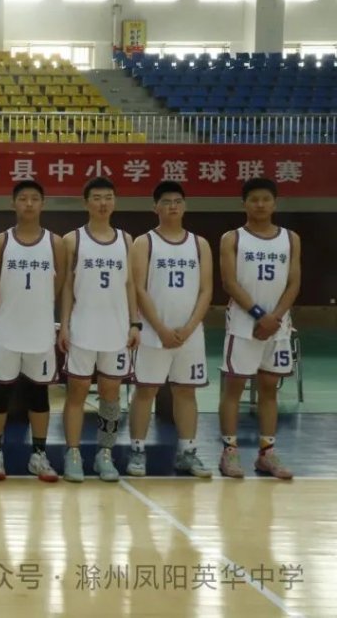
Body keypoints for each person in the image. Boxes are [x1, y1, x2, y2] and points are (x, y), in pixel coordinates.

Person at [126, 181, 213, 478]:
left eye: (177, 201)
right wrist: (161, 328)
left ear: (185, 206)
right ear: (155, 208)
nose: (172, 206)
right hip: (154, 333)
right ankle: (137, 450)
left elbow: (206, 290)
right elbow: (138, 288)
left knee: (186, 391)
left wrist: (189, 328)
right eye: (166, 202)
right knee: (146, 390)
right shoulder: (144, 243)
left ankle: (187, 452)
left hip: (190, 334)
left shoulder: (199, 244)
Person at [59, 176, 140, 483]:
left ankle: (105, 453)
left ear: (115, 201)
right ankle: (73, 453)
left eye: (108, 197)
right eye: (97, 197)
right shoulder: (72, 240)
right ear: (86, 203)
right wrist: (64, 325)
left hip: (116, 331)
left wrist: (134, 322)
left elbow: (130, 284)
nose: (103, 203)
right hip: (82, 329)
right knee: (77, 393)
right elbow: (67, 287)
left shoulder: (126, 240)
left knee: (110, 395)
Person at [218, 177, 300, 479]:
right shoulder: (232, 238)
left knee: (269, 389)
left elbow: (294, 282)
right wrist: (258, 314)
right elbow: (229, 282)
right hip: (243, 325)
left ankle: (267, 453)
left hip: (277, 327)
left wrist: (274, 317)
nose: (260, 204)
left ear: (275, 203)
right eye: (254, 199)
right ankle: (229, 452)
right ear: (244, 204)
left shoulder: (290, 238)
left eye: (266, 199)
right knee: (234, 389)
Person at [0, 180, 63, 482]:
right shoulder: (0, 242)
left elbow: (58, 287)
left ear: (43, 204)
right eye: (23, 198)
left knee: (39, 395)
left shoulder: (55, 243)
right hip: (6, 332)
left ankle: (39, 455)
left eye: (34, 198)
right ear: (13, 203)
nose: (29, 204)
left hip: (40, 333)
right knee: (0, 394)